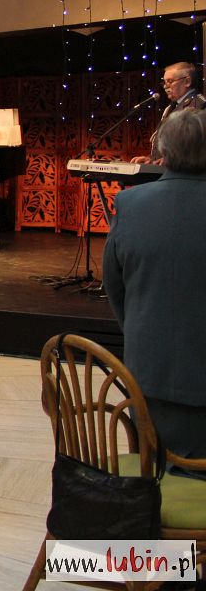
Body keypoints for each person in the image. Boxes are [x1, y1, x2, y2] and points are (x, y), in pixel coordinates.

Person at [104, 109, 206, 475]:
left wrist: (142, 330)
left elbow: (114, 285)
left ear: (163, 150)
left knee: (155, 473)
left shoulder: (130, 204)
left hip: (147, 373)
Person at [131, 61, 206, 164]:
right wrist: (151, 159)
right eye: (164, 82)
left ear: (187, 81)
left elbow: (197, 148)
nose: (165, 87)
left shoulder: (199, 106)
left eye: (170, 81)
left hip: (182, 171)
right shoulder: (171, 107)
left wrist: (171, 161)